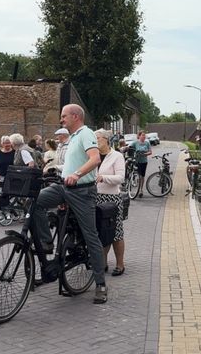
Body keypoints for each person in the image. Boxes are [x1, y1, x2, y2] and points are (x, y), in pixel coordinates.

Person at [36, 104, 107, 304]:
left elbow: (95, 159)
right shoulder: (72, 138)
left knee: (90, 235)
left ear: (75, 116)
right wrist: (56, 169)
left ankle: (100, 284)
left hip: (83, 192)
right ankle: (46, 242)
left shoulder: (86, 133)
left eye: (64, 116)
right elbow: (73, 162)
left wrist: (76, 174)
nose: (61, 120)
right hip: (64, 187)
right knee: (36, 201)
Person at [94, 129, 126, 276]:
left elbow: (120, 178)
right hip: (96, 198)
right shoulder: (92, 155)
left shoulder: (117, 156)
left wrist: (103, 178)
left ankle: (120, 264)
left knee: (116, 233)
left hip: (112, 199)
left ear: (106, 139)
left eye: (98, 138)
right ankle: (103, 263)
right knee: (100, 232)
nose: (95, 141)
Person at [132, 130, 152, 198]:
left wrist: (144, 154)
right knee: (138, 175)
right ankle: (137, 187)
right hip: (137, 161)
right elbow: (129, 147)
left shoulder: (147, 143)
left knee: (142, 176)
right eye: (142, 135)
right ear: (139, 136)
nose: (144, 136)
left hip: (144, 161)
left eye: (144, 135)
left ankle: (141, 190)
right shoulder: (135, 143)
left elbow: (150, 152)